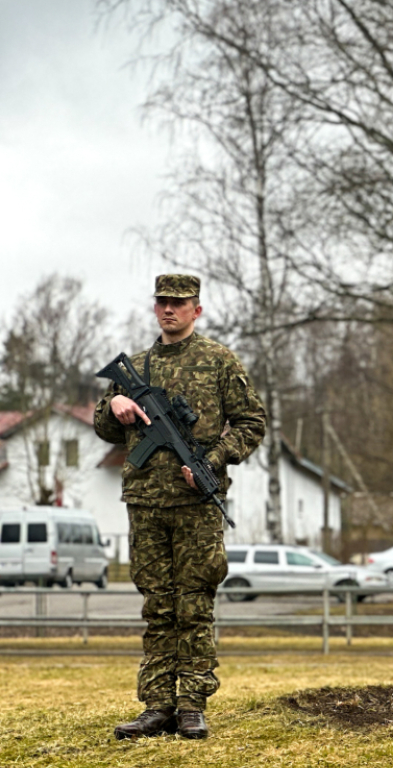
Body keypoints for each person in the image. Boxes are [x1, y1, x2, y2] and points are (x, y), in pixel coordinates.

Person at [94, 274, 267, 741]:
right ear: (155, 308)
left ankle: (191, 705)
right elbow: (104, 428)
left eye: (179, 302)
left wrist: (212, 459)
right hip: (146, 502)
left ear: (197, 309)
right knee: (157, 605)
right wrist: (116, 405)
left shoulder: (218, 360)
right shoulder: (139, 365)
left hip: (196, 504)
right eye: (162, 302)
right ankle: (157, 706)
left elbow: (252, 421)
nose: (169, 309)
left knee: (194, 604)